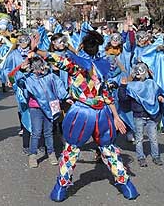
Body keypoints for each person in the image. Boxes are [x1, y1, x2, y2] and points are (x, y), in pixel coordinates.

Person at [33, 31, 139, 201]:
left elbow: (54, 58)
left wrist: (37, 49)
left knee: (71, 150)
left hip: (81, 113)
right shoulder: (103, 67)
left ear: (82, 46)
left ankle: (61, 188)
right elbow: (106, 94)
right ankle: (127, 185)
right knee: (108, 150)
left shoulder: (75, 66)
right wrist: (116, 116)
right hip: (102, 113)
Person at [14, 56, 68, 168]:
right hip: (35, 108)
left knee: (48, 132)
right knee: (36, 132)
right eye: (36, 67)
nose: (39, 69)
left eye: (40, 66)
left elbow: (59, 86)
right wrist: (21, 70)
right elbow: (16, 81)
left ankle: (51, 153)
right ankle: (32, 155)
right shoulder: (28, 78)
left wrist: (66, 97)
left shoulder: (50, 76)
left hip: (49, 108)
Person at [119, 63, 164, 167]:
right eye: (136, 70)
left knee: (153, 138)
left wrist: (160, 97)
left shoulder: (151, 83)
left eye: (141, 70)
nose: (138, 72)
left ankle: (156, 156)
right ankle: (141, 157)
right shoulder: (131, 86)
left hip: (151, 116)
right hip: (139, 116)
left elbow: (157, 92)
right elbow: (123, 98)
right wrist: (123, 86)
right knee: (139, 138)